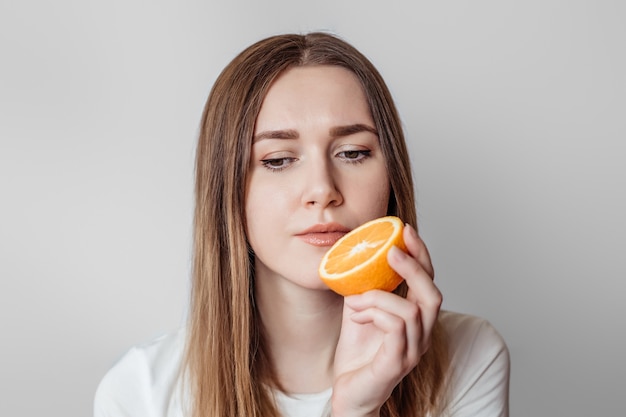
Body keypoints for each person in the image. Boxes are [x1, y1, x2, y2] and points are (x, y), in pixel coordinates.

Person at [94, 32, 510, 417]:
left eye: (352, 152)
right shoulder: (139, 392)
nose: (322, 189)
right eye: (277, 159)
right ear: (226, 191)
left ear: (392, 178)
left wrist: (358, 407)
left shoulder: (470, 353)